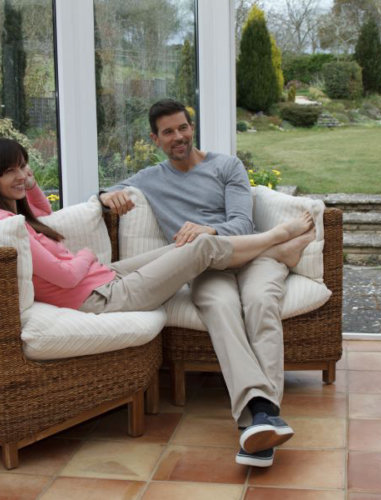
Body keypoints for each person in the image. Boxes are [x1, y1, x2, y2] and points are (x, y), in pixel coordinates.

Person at [99, 99, 315, 468]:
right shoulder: (150, 178)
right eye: (168, 132)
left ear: (191, 126)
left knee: (261, 304)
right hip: (205, 270)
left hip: (248, 256)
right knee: (221, 307)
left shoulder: (226, 165)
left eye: (182, 127)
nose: (178, 136)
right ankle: (262, 418)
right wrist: (106, 195)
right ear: (156, 139)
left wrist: (209, 230)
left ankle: (259, 420)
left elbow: (243, 224)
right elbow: (109, 190)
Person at [0, 138, 314, 366]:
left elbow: (43, 215)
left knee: (188, 244)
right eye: (10, 170)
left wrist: (29, 182)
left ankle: (276, 254)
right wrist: (87, 255)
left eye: (22, 166)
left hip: (106, 277)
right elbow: (66, 274)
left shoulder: (7, 216)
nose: (20, 175)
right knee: (203, 244)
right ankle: (276, 239)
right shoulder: (8, 226)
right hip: (104, 296)